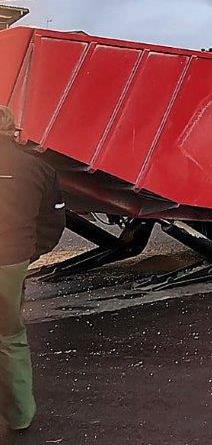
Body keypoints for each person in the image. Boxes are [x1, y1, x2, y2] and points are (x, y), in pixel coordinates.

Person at [0, 105, 63, 435]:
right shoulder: (38, 169)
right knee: (9, 337)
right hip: (12, 262)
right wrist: (30, 253)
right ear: (13, 132)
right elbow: (54, 221)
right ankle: (20, 415)